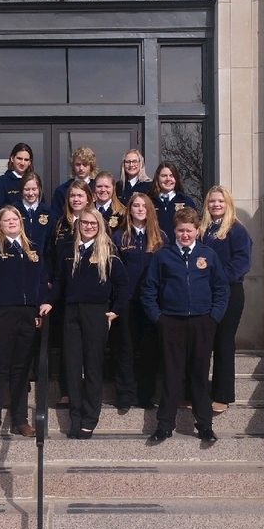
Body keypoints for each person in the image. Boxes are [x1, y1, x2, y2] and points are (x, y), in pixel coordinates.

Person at [141, 207, 228, 443]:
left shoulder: (208, 255)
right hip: (171, 322)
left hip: (202, 322)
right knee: (171, 374)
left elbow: (221, 289)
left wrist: (214, 317)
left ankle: (205, 426)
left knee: (199, 375)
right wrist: (158, 318)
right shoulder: (163, 256)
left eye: (189, 230)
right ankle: (165, 425)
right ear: (175, 231)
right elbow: (149, 289)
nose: (185, 235)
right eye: (180, 231)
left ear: (197, 230)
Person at [45, 207, 130, 439]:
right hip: (71, 313)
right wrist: (49, 303)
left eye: (93, 223)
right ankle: (75, 417)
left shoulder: (108, 250)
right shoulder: (67, 249)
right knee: (72, 368)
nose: (89, 226)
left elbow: (123, 285)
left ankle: (90, 418)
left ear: (99, 225)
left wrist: (114, 312)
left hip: (96, 314)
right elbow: (59, 283)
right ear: (78, 224)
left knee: (92, 368)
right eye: (85, 223)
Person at [0, 206, 47, 440]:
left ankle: (20, 420)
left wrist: (37, 310)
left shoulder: (32, 249)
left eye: (15, 219)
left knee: (22, 369)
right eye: (6, 220)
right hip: (0, 314)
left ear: (21, 222)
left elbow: (40, 282)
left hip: (27, 315)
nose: (11, 222)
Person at [111, 191, 166, 410]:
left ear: (150, 210)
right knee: (124, 348)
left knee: (149, 349)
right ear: (129, 210)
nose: (140, 209)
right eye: (136, 205)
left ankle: (146, 395)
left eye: (144, 205)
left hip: (151, 302)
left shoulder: (161, 237)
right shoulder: (119, 237)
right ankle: (124, 395)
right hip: (127, 301)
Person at [200, 186, 253, 413]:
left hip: (229, 293)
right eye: (212, 201)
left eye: (220, 201)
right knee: (202, 343)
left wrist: (217, 279)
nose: (216, 205)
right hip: (204, 295)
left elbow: (242, 262)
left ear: (228, 203)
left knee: (223, 342)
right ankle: (197, 392)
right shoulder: (202, 230)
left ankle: (222, 395)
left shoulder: (236, 230)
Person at [48, 180, 93, 408]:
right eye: (72, 196)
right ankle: (67, 391)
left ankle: (91, 392)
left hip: (90, 297)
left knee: (90, 349)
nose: (76, 199)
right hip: (64, 295)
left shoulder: (95, 224)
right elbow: (51, 257)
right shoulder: (59, 226)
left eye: (80, 196)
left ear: (88, 199)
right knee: (68, 347)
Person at [149, 162, 197, 243]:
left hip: (178, 250)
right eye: (164, 176)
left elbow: (194, 227)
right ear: (157, 178)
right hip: (154, 249)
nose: (168, 179)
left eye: (171, 176)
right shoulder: (149, 202)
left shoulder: (186, 201)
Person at [49, 146, 97, 224]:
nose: (81, 168)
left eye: (85, 164)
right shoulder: (62, 190)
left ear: (91, 167)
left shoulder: (97, 189)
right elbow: (56, 219)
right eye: (78, 164)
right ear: (73, 166)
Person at [0, 143, 33, 213]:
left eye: (26, 160)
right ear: (12, 159)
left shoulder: (34, 183)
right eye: (19, 158)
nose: (22, 163)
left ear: (30, 162)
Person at [19, 170, 52, 257]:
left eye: (34, 189)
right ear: (21, 190)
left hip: (42, 265)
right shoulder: (13, 211)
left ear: (40, 189)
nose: (30, 193)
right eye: (27, 189)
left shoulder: (49, 213)